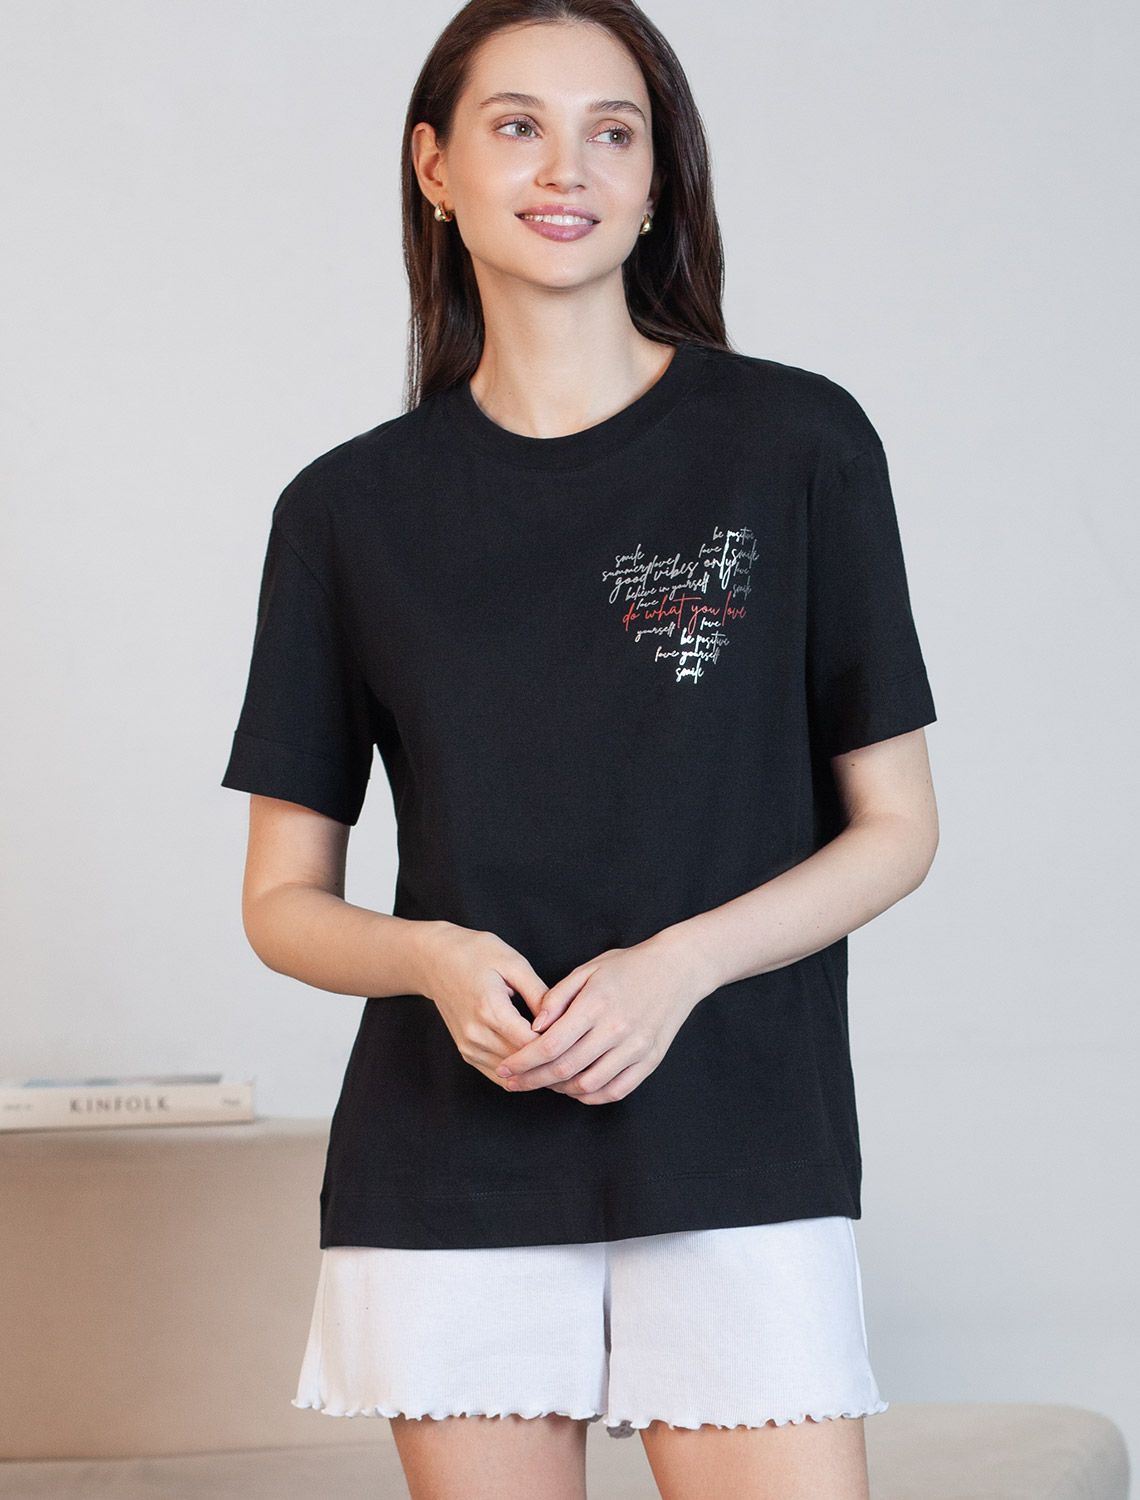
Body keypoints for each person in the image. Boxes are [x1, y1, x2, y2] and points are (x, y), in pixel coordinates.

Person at [219, 2, 939, 1496]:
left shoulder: (798, 446)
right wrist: (432, 961)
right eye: (517, 126)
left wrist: (678, 968)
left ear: (659, 177)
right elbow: (281, 901)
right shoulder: (345, 513)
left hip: (742, 1132)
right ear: (434, 167)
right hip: (450, 1161)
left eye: (614, 131)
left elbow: (896, 826)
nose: (569, 169)